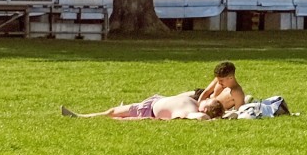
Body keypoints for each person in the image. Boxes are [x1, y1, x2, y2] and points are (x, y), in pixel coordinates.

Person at [62, 62, 247, 121]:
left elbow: (238, 111)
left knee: (114, 114)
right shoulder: (204, 96)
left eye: (222, 80)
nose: (219, 82)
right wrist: (200, 99)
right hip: (160, 102)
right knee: (116, 113)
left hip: (152, 109)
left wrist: (219, 116)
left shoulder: (236, 92)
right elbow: (205, 93)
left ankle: (81, 117)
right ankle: (85, 116)